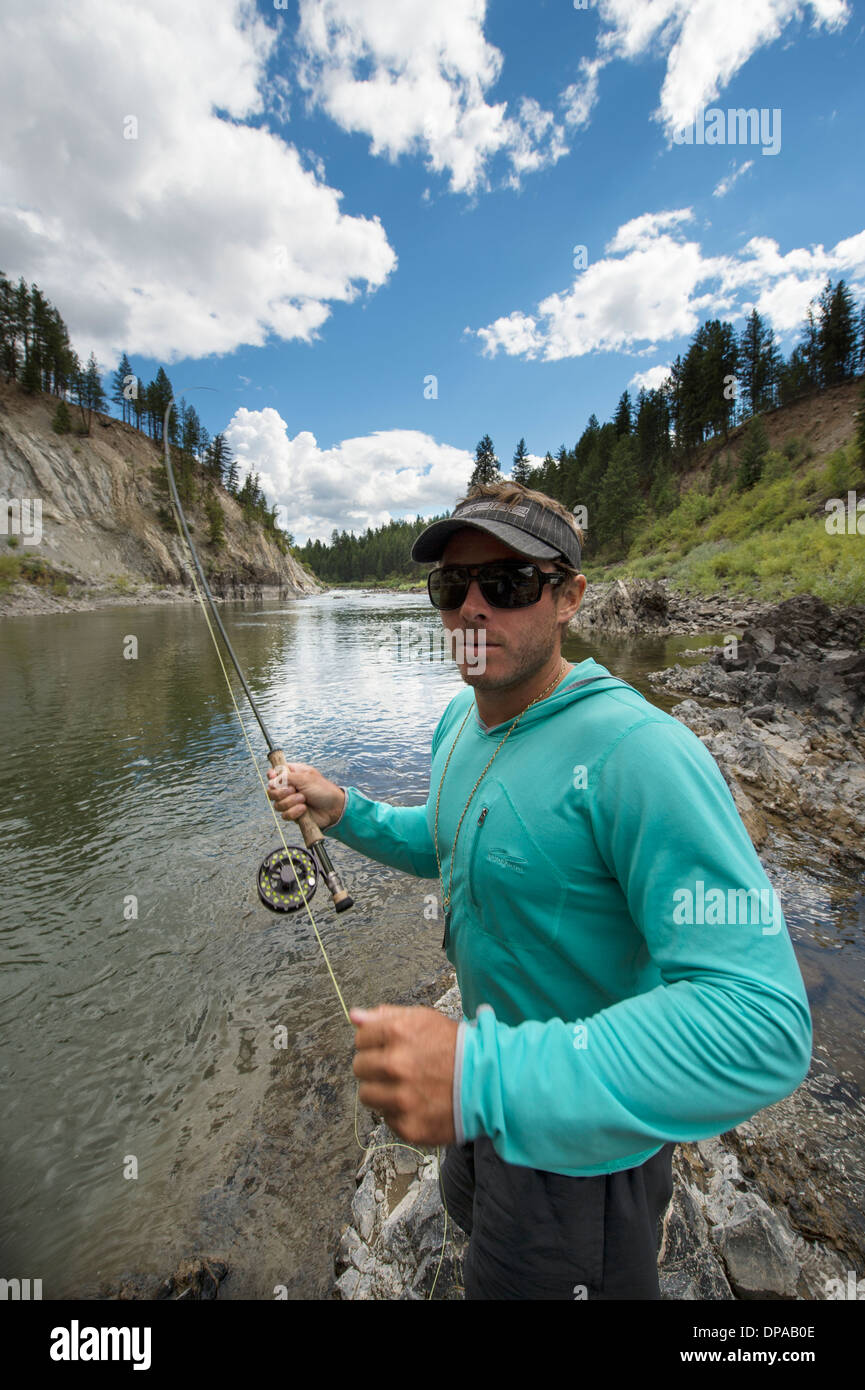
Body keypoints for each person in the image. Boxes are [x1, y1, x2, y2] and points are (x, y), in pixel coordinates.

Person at [266, 481, 812, 1300]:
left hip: (580, 1167)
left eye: (508, 584)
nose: (472, 610)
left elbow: (761, 1022)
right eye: (452, 587)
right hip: (488, 1107)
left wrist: (480, 1075)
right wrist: (345, 810)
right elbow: (456, 844)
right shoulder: (463, 718)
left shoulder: (640, 751)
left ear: (568, 597)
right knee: (470, 1236)